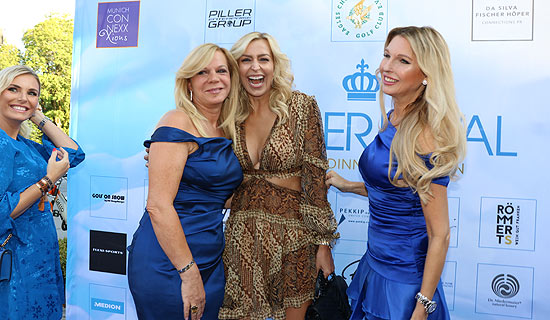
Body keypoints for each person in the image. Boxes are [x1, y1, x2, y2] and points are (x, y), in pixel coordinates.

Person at [326, 26, 467, 319]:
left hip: (404, 284)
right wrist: (348, 185)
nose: (387, 67)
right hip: (375, 265)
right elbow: (396, 190)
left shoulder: (426, 136)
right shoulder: (396, 117)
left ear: (426, 73)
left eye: (403, 61)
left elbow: (439, 234)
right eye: (387, 55)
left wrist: (422, 307)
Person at [219, 32, 339, 320]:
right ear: (237, 68)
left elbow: (314, 179)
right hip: (242, 237)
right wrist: (167, 153)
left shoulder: (301, 106)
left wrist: (322, 244)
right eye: (246, 60)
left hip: (294, 238)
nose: (255, 67)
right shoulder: (228, 111)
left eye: (263, 59)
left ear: (275, 65)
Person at [127, 43, 243, 320]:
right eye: (203, 72)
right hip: (169, 262)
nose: (214, 78)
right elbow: (158, 206)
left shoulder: (228, 129)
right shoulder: (177, 122)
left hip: (211, 260)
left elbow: (218, 195)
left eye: (221, 71)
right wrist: (188, 273)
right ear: (189, 82)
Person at [0, 65, 85, 319]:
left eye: (32, 93)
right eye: (13, 89)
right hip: (14, 265)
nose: (23, 98)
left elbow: (74, 154)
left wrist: (37, 117)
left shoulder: (24, 145)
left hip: (40, 258)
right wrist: (48, 180)